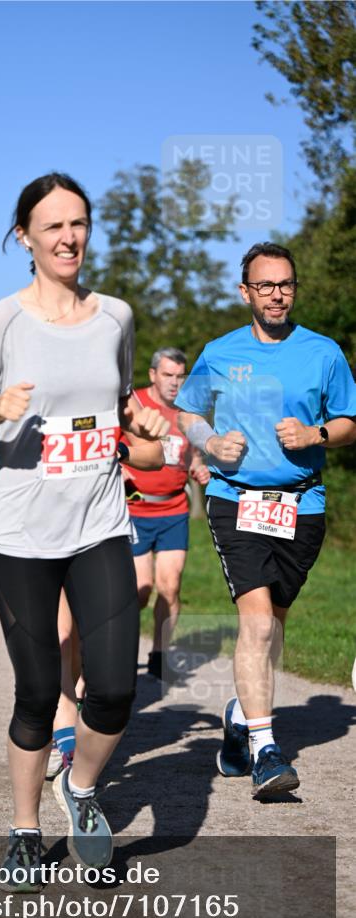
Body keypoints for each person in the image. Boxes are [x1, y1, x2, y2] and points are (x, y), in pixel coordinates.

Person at [0, 173, 167, 887]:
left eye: (78, 224)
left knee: (114, 690)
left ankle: (81, 789)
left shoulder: (117, 317)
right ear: (25, 238)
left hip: (98, 523)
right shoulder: (3, 320)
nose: (68, 237)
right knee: (38, 693)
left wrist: (145, 428)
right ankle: (21, 829)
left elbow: (125, 416)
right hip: (17, 536)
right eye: (52, 227)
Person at [176, 242, 356, 800]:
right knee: (255, 625)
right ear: (245, 292)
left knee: (272, 628)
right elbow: (187, 411)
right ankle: (267, 751)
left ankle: (239, 715)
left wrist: (316, 435)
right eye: (265, 285)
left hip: (302, 506)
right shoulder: (220, 352)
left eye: (285, 284)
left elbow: (349, 419)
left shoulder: (323, 353)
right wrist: (210, 440)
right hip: (236, 501)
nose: (276, 294)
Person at [125, 348, 210, 677]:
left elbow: (192, 456)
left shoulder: (187, 414)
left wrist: (198, 469)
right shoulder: (134, 406)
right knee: (140, 589)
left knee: (170, 586)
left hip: (174, 507)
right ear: (152, 375)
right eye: (168, 375)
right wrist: (120, 468)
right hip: (134, 508)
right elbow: (113, 444)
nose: (175, 383)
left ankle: (159, 654)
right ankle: (124, 652)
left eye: (180, 376)